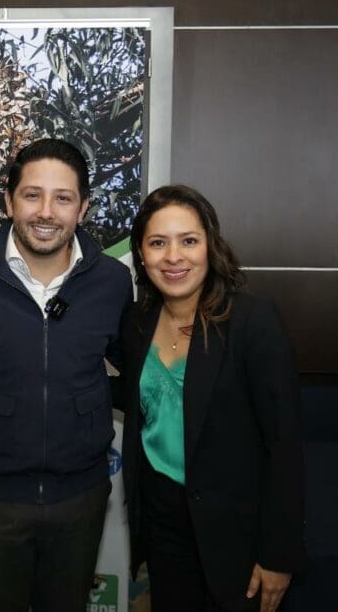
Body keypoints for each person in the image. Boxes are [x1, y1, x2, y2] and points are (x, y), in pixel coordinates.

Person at [0, 138, 132, 612]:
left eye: (63, 198)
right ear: (9, 201)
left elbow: (136, 370)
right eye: (32, 195)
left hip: (81, 499)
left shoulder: (111, 281)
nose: (46, 211)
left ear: (82, 208)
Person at [119, 185, 306, 612]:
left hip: (236, 527)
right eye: (157, 242)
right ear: (141, 255)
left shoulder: (253, 322)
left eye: (188, 240)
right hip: (163, 518)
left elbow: (285, 445)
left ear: (210, 246)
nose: (173, 256)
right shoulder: (136, 322)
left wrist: (279, 553)